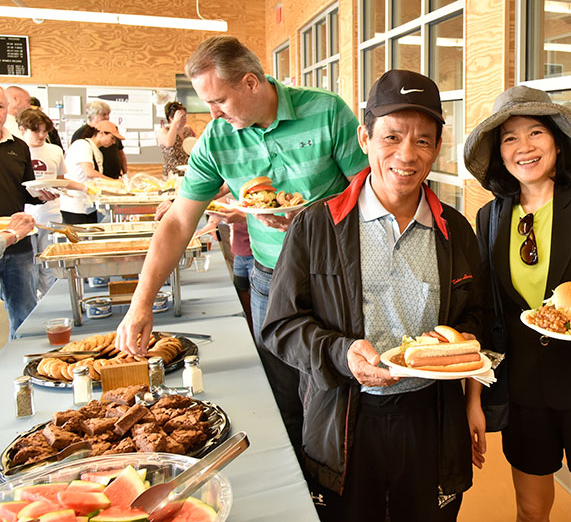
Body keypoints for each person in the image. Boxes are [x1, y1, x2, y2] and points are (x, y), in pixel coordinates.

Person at [115, 35, 368, 460]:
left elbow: (369, 192)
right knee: (280, 393)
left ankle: (336, 486)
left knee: (333, 392)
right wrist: (141, 303)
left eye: (218, 101)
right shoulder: (218, 139)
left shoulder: (326, 112)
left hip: (334, 277)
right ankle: (300, 484)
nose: (212, 114)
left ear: (251, 83)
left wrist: (314, 220)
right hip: (269, 278)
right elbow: (178, 221)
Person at [262, 70, 484, 521]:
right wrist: (342, 354)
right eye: (392, 136)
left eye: (423, 140)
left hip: (432, 419)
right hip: (344, 416)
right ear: (365, 137)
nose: (406, 154)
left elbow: (477, 318)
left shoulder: (455, 230)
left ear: (437, 148)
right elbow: (281, 325)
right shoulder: (316, 226)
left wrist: (474, 395)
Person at [463, 85, 571, 522]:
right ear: (500, 154)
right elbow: (484, 311)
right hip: (524, 389)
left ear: (556, 142)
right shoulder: (491, 217)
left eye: (535, 132)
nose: (524, 147)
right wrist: (474, 397)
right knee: (530, 511)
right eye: (509, 138)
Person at [0, 89, 55, 337]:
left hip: (19, 242)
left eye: (0, 106)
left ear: (8, 109)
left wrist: (40, 195)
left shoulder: (18, 147)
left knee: (24, 312)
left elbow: (25, 189)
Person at [17, 109, 84, 296]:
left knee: (50, 264)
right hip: (24, 216)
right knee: (28, 266)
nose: (41, 135)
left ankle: (46, 300)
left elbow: (61, 180)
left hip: (52, 214)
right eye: (36, 131)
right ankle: (32, 303)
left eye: (45, 131)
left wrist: (84, 188)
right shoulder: (16, 151)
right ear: (22, 130)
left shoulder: (55, 150)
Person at [60, 121, 126, 225]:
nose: (113, 143)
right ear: (101, 133)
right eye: (112, 138)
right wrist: (115, 182)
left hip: (88, 204)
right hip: (75, 204)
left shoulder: (97, 151)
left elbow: (95, 180)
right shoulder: (82, 145)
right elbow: (89, 172)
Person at [72, 100, 127, 179]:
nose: (107, 117)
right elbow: (88, 171)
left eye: (108, 114)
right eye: (104, 114)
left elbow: (121, 153)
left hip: (112, 178)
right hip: (95, 180)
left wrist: (125, 174)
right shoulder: (81, 137)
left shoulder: (111, 129)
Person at [157, 101, 196, 176]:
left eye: (185, 116)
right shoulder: (163, 130)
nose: (184, 119)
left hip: (188, 172)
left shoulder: (188, 130)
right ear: (171, 118)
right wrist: (174, 123)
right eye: (181, 117)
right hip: (172, 174)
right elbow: (169, 143)